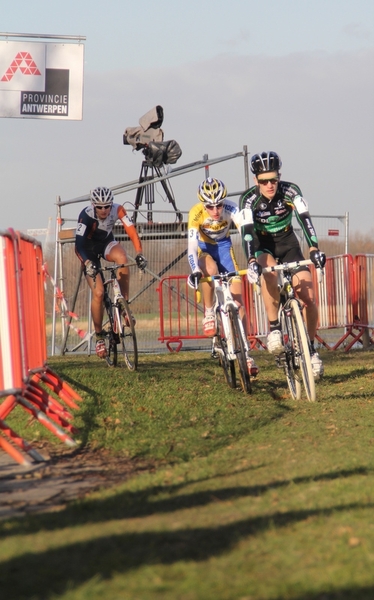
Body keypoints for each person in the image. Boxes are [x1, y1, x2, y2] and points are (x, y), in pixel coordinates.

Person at [239, 151, 326, 379]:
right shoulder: (248, 199)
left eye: (273, 180)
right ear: (256, 180)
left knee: (308, 297)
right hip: (262, 243)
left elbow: (305, 218)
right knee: (268, 272)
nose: (269, 185)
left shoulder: (291, 191)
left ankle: (310, 348)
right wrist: (250, 260)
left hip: (287, 243)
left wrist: (314, 247)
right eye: (263, 181)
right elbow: (246, 232)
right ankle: (275, 327)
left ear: (279, 176)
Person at [187, 177, 259, 376]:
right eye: (210, 207)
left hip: (225, 249)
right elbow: (192, 247)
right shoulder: (195, 213)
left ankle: (246, 352)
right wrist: (194, 271)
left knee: (239, 303)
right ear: (204, 205)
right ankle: (209, 312)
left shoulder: (232, 208)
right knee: (210, 270)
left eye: (218, 205)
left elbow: (246, 234)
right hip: (204, 250)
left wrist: (252, 260)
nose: (216, 211)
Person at [75, 186, 147, 358]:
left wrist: (139, 253)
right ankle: (99, 336)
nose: (104, 210)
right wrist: (87, 263)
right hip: (88, 252)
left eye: (107, 206)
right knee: (99, 293)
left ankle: (124, 306)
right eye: (100, 207)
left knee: (122, 257)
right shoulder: (85, 215)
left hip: (107, 243)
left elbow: (131, 230)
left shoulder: (118, 209)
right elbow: (78, 246)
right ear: (93, 205)